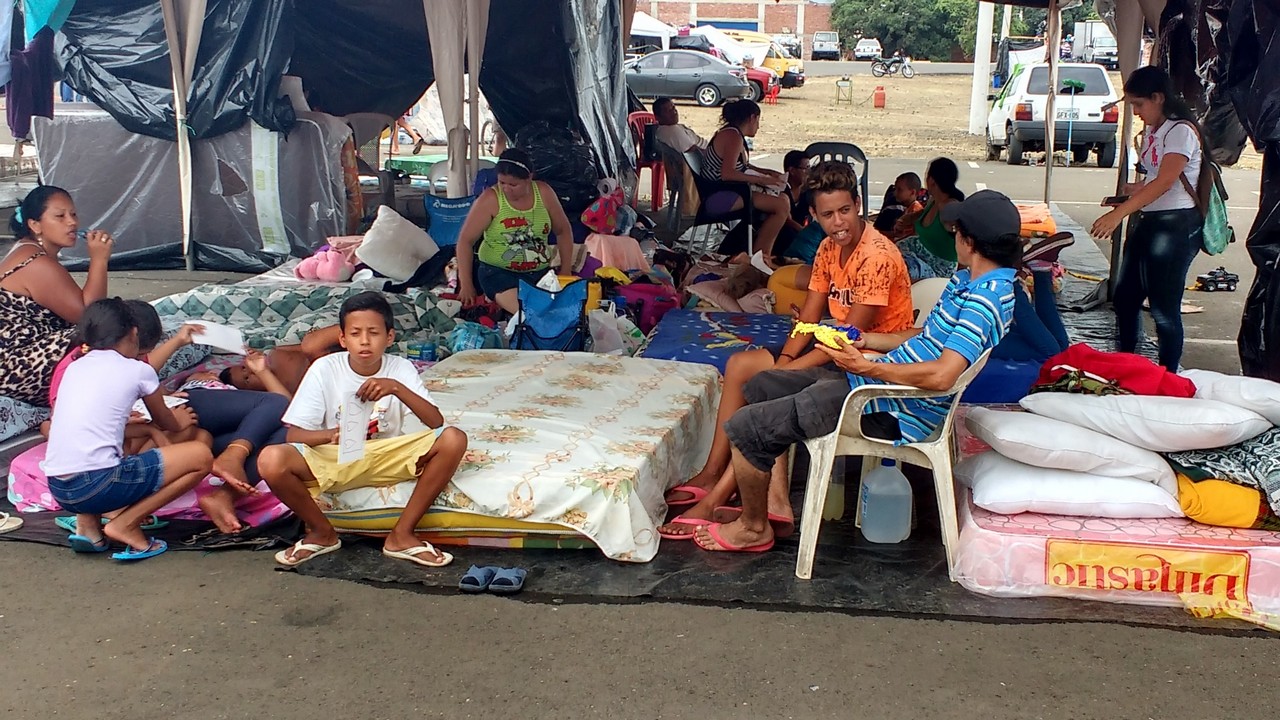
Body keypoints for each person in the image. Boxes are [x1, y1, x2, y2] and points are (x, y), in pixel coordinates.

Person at [691, 190, 1022, 553]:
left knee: (746, 427)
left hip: (890, 407)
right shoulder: (968, 282)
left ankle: (754, 527)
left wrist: (869, 367)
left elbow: (943, 376)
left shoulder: (984, 300)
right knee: (763, 384)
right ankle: (771, 501)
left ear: (969, 241)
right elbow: (922, 336)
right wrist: (869, 340)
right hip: (873, 382)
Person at [660, 161, 914, 539]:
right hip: (832, 347)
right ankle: (714, 474)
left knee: (768, 389)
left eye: (845, 211)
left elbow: (849, 336)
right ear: (813, 215)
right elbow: (810, 316)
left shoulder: (876, 255)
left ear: (859, 204)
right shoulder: (829, 248)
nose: (839, 222)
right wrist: (787, 359)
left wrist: (787, 371)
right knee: (741, 364)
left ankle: (720, 497)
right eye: (827, 215)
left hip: (866, 364)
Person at [257, 291, 468, 568]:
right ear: (343, 339)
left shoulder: (400, 367)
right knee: (271, 459)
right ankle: (322, 533)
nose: (365, 341)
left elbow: (435, 423)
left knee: (453, 438)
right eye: (356, 333)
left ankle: (402, 535)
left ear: (390, 337)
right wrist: (331, 435)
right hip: (334, 458)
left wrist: (396, 387)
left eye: (374, 333)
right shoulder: (324, 368)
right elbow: (294, 436)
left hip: (384, 456)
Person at [41, 298, 214, 560]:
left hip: (60, 488)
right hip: (99, 484)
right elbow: (167, 422)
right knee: (201, 455)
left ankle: (88, 528)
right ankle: (127, 523)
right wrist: (179, 420)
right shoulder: (138, 371)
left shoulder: (74, 367)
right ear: (134, 332)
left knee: (96, 453)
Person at [1090, 66, 1206, 371]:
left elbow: (1166, 181)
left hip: (1175, 225)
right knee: (1126, 298)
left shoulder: (1181, 131)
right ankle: (1127, 365)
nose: (1137, 112)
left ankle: (1168, 375)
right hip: (1149, 220)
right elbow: (1156, 179)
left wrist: (1118, 214)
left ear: (1158, 97)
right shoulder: (1157, 130)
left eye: (1139, 105)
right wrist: (1133, 191)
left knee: (1164, 309)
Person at [0, 186, 113, 406]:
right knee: (110, 332)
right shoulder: (36, 263)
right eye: (60, 216)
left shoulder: (28, 250)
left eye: (73, 214)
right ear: (35, 225)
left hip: (18, 360)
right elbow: (91, 316)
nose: (72, 222)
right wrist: (99, 260)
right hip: (14, 369)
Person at [454, 148, 575, 315]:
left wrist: (566, 271)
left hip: (539, 273)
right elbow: (465, 242)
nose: (506, 189)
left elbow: (563, 231)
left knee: (562, 311)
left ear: (529, 178)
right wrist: (466, 284)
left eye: (513, 184)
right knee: (528, 313)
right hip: (498, 274)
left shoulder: (544, 193)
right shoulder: (490, 199)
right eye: (502, 183)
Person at [698, 99, 791, 261]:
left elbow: (742, 166)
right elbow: (728, 173)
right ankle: (760, 258)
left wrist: (766, 173)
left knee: (783, 199)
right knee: (781, 205)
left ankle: (760, 253)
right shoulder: (733, 137)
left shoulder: (731, 133)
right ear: (752, 118)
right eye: (758, 121)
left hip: (726, 192)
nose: (758, 126)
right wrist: (761, 180)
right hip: (720, 196)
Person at [218, 325, 343, 397]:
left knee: (310, 344)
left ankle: (357, 327)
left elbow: (302, 347)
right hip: (335, 378)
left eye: (244, 368)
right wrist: (262, 372)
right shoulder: (277, 391)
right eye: (247, 379)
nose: (251, 372)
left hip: (339, 352)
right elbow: (287, 405)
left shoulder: (275, 354)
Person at [897, 158, 965, 282]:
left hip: (936, 269)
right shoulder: (933, 200)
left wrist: (959, 283)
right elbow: (923, 215)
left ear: (931, 180)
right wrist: (909, 218)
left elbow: (964, 240)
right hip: (915, 252)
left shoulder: (950, 209)